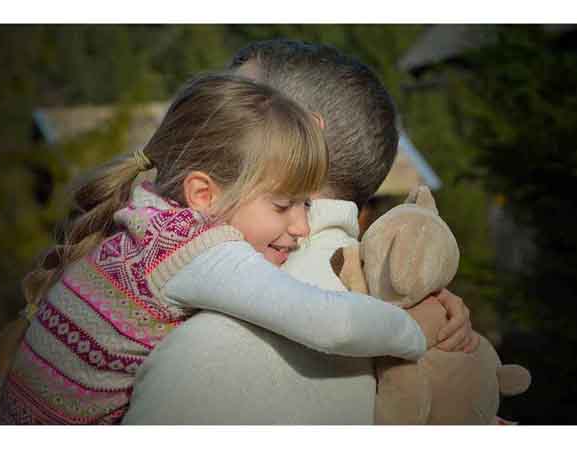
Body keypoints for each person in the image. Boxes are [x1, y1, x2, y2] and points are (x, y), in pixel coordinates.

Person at [0, 73, 446, 425]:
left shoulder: (148, 210)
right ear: (204, 194)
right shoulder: (199, 251)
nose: (303, 226)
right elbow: (333, 324)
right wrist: (416, 329)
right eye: (285, 205)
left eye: (307, 204)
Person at [122, 40, 478, 425]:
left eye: (233, 106)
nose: (204, 124)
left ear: (304, 133)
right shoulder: (409, 309)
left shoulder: (207, 349)